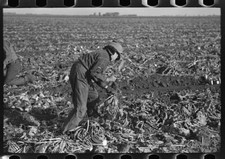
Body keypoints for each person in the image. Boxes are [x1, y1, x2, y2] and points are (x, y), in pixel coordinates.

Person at [62, 41, 124, 134]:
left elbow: (94, 74)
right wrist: (107, 82)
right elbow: (95, 73)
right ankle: (65, 131)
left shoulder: (103, 54)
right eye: (117, 57)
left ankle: (91, 122)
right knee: (81, 109)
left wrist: (106, 87)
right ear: (114, 52)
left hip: (83, 73)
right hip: (81, 74)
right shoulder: (104, 58)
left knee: (93, 97)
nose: (116, 60)